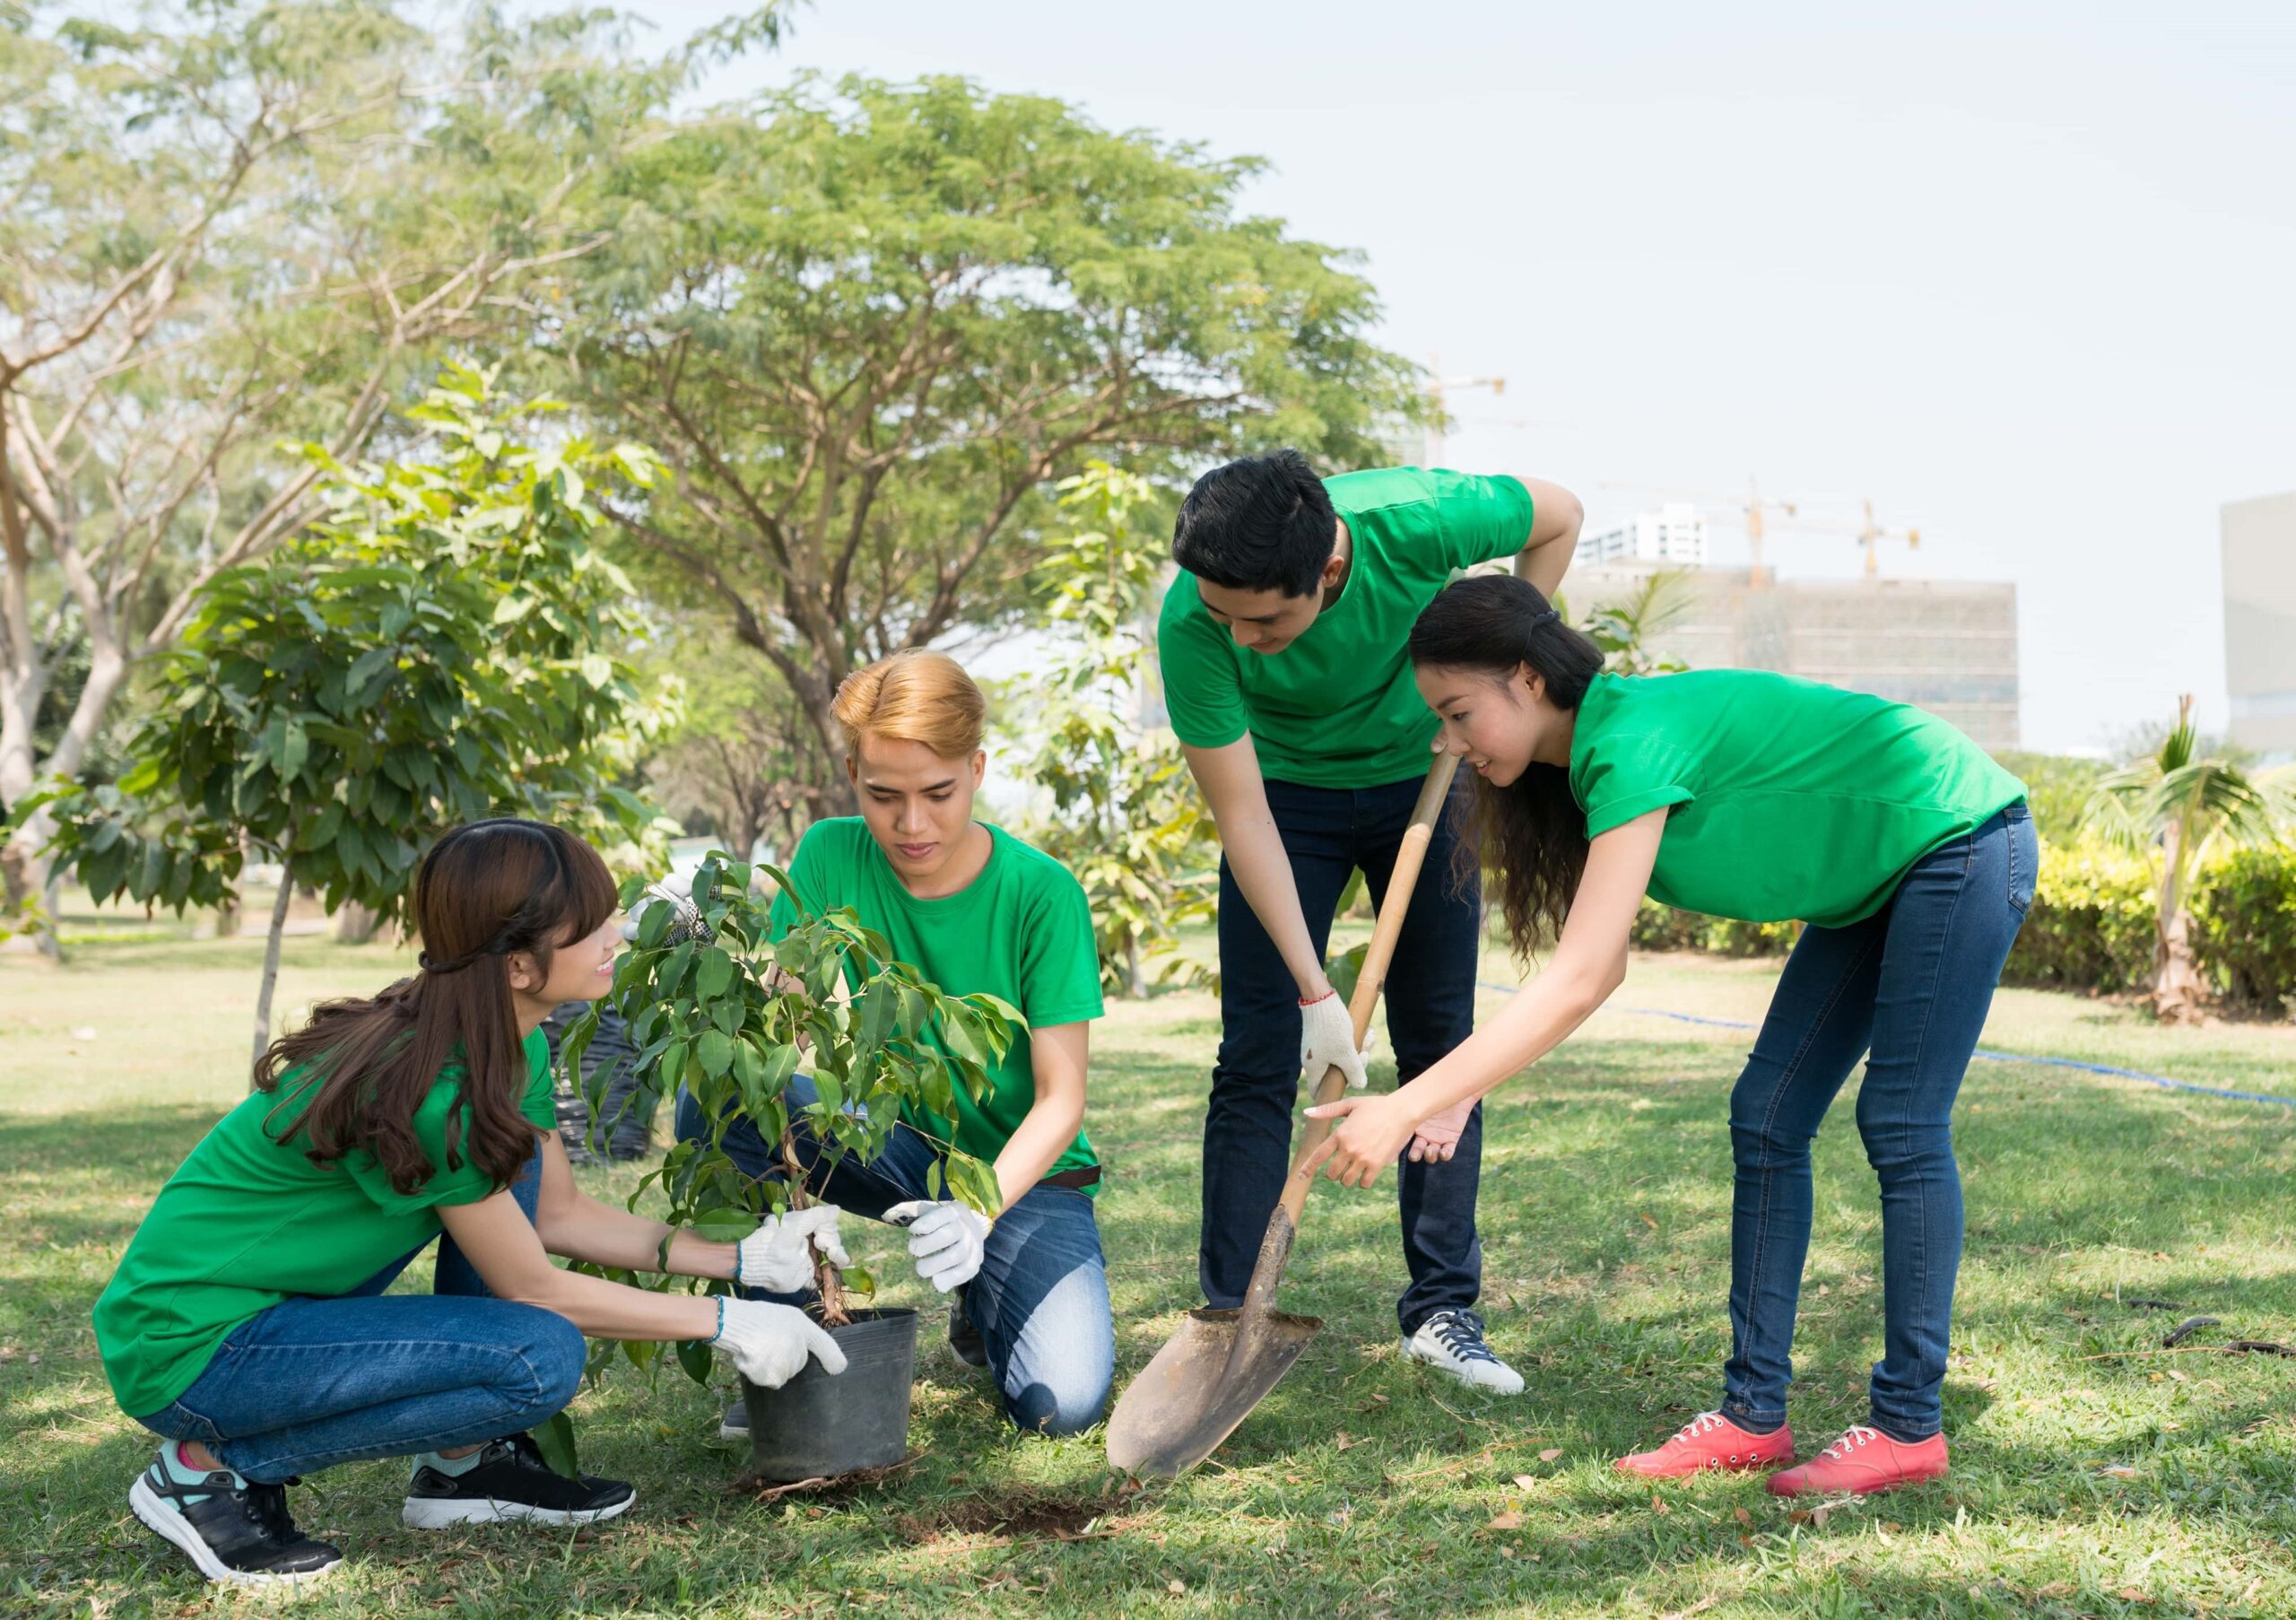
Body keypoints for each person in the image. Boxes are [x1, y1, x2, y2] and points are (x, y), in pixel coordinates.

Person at [1306, 573, 2035, 1495]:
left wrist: (1410, 1100)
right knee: (1767, 1115)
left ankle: (1907, 1426)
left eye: (1456, 713)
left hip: (1957, 836)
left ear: (1528, 680)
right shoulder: (1580, 772)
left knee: (1898, 1120)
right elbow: (1589, 964)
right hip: (1876, 880)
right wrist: (1457, 1086)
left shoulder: (1631, 740)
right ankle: (1750, 1416)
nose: (1445, 743)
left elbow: (1580, 979)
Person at [93, 819, 849, 1587]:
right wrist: (727, 1319)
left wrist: (746, 1254)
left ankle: (465, 1468)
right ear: (519, 965)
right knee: (538, 1357)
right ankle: (204, 1470)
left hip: (279, 1318)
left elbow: (556, 1217)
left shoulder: (507, 1043)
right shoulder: (437, 1090)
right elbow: (533, 1287)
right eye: (588, 926)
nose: (616, 935)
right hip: (193, 1348)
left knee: (513, 1167)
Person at [1156, 449, 1584, 1392]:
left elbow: (1557, 514)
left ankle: (1442, 1312)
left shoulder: (1416, 518)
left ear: (1329, 571)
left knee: (1439, 1047)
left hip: (1422, 780)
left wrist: (1487, 684)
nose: (1240, 636)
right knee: (1257, 1054)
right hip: (1285, 802)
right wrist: (1315, 990)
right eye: (1225, 616)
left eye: (1264, 619)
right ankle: (1233, 1313)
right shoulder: (1195, 620)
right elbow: (1241, 815)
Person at [677, 649, 1113, 1438]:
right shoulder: (829, 853)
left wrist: (977, 1212)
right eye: (884, 797)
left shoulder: (1042, 893)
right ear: (852, 774)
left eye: (939, 793)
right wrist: (713, 972)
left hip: (1021, 1174)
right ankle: (790, 1344)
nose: (912, 825)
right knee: (730, 1099)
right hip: (895, 1145)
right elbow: (780, 1030)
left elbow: (1061, 1100)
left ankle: (982, 1299)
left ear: (977, 768)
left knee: (1064, 1408)